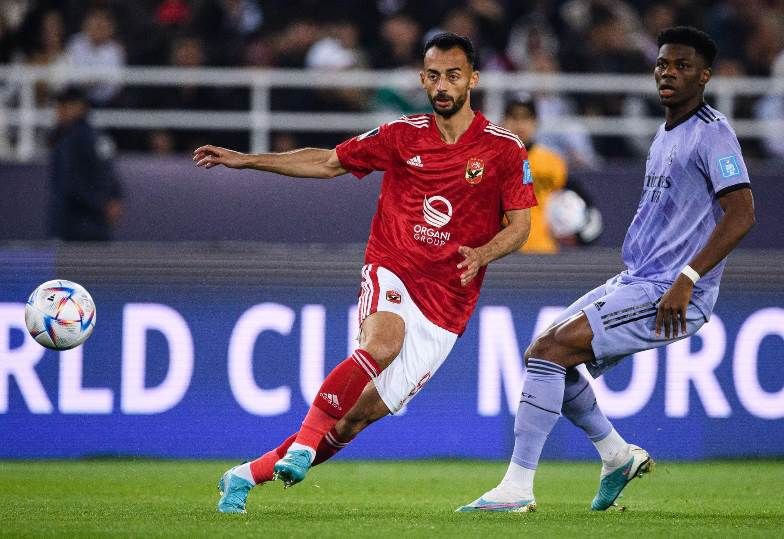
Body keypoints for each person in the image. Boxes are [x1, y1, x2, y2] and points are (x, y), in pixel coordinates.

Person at [193, 32, 537, 514]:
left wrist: (483, 254)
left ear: (473, 80)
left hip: (448, 306)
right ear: (422, 79)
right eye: (433, 76)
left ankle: (245, 476)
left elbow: (520, 226)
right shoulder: (399, 135)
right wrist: (249, 160)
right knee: (382, 343)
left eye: (453, 75)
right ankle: (302, 446)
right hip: (393, 267)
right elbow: (327, 162)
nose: (442, 86)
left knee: (354, 419)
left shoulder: (504, 149)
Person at [458, 26, 755, 513]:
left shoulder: (713, 132)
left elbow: (742, 213)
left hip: (670, 289)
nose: (668, 73)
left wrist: (688, 279)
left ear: (705, 76)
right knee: (544, 354)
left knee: (550, 351)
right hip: (639, 278)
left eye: (682, 66)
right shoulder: (666, 132)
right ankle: (617, 456)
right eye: (662, 64)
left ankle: (516, 488)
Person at [48, 87, 123, 241]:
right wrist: (113, 199)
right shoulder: (96, 136)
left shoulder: (71, 139)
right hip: (94, 222)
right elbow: (110, 172)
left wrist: (103, 204)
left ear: (79, 107)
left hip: (77, 224)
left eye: (64, 105)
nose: (59, 111)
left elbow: (68, 182)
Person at [501, 98, 568, 254]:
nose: (520, 124)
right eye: (514, 117)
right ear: (503, 122)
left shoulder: (553, 162)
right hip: (505, 254)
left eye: (526, 118)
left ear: (536, 122)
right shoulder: (490, 162)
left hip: (546, 250)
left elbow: (569, 204)